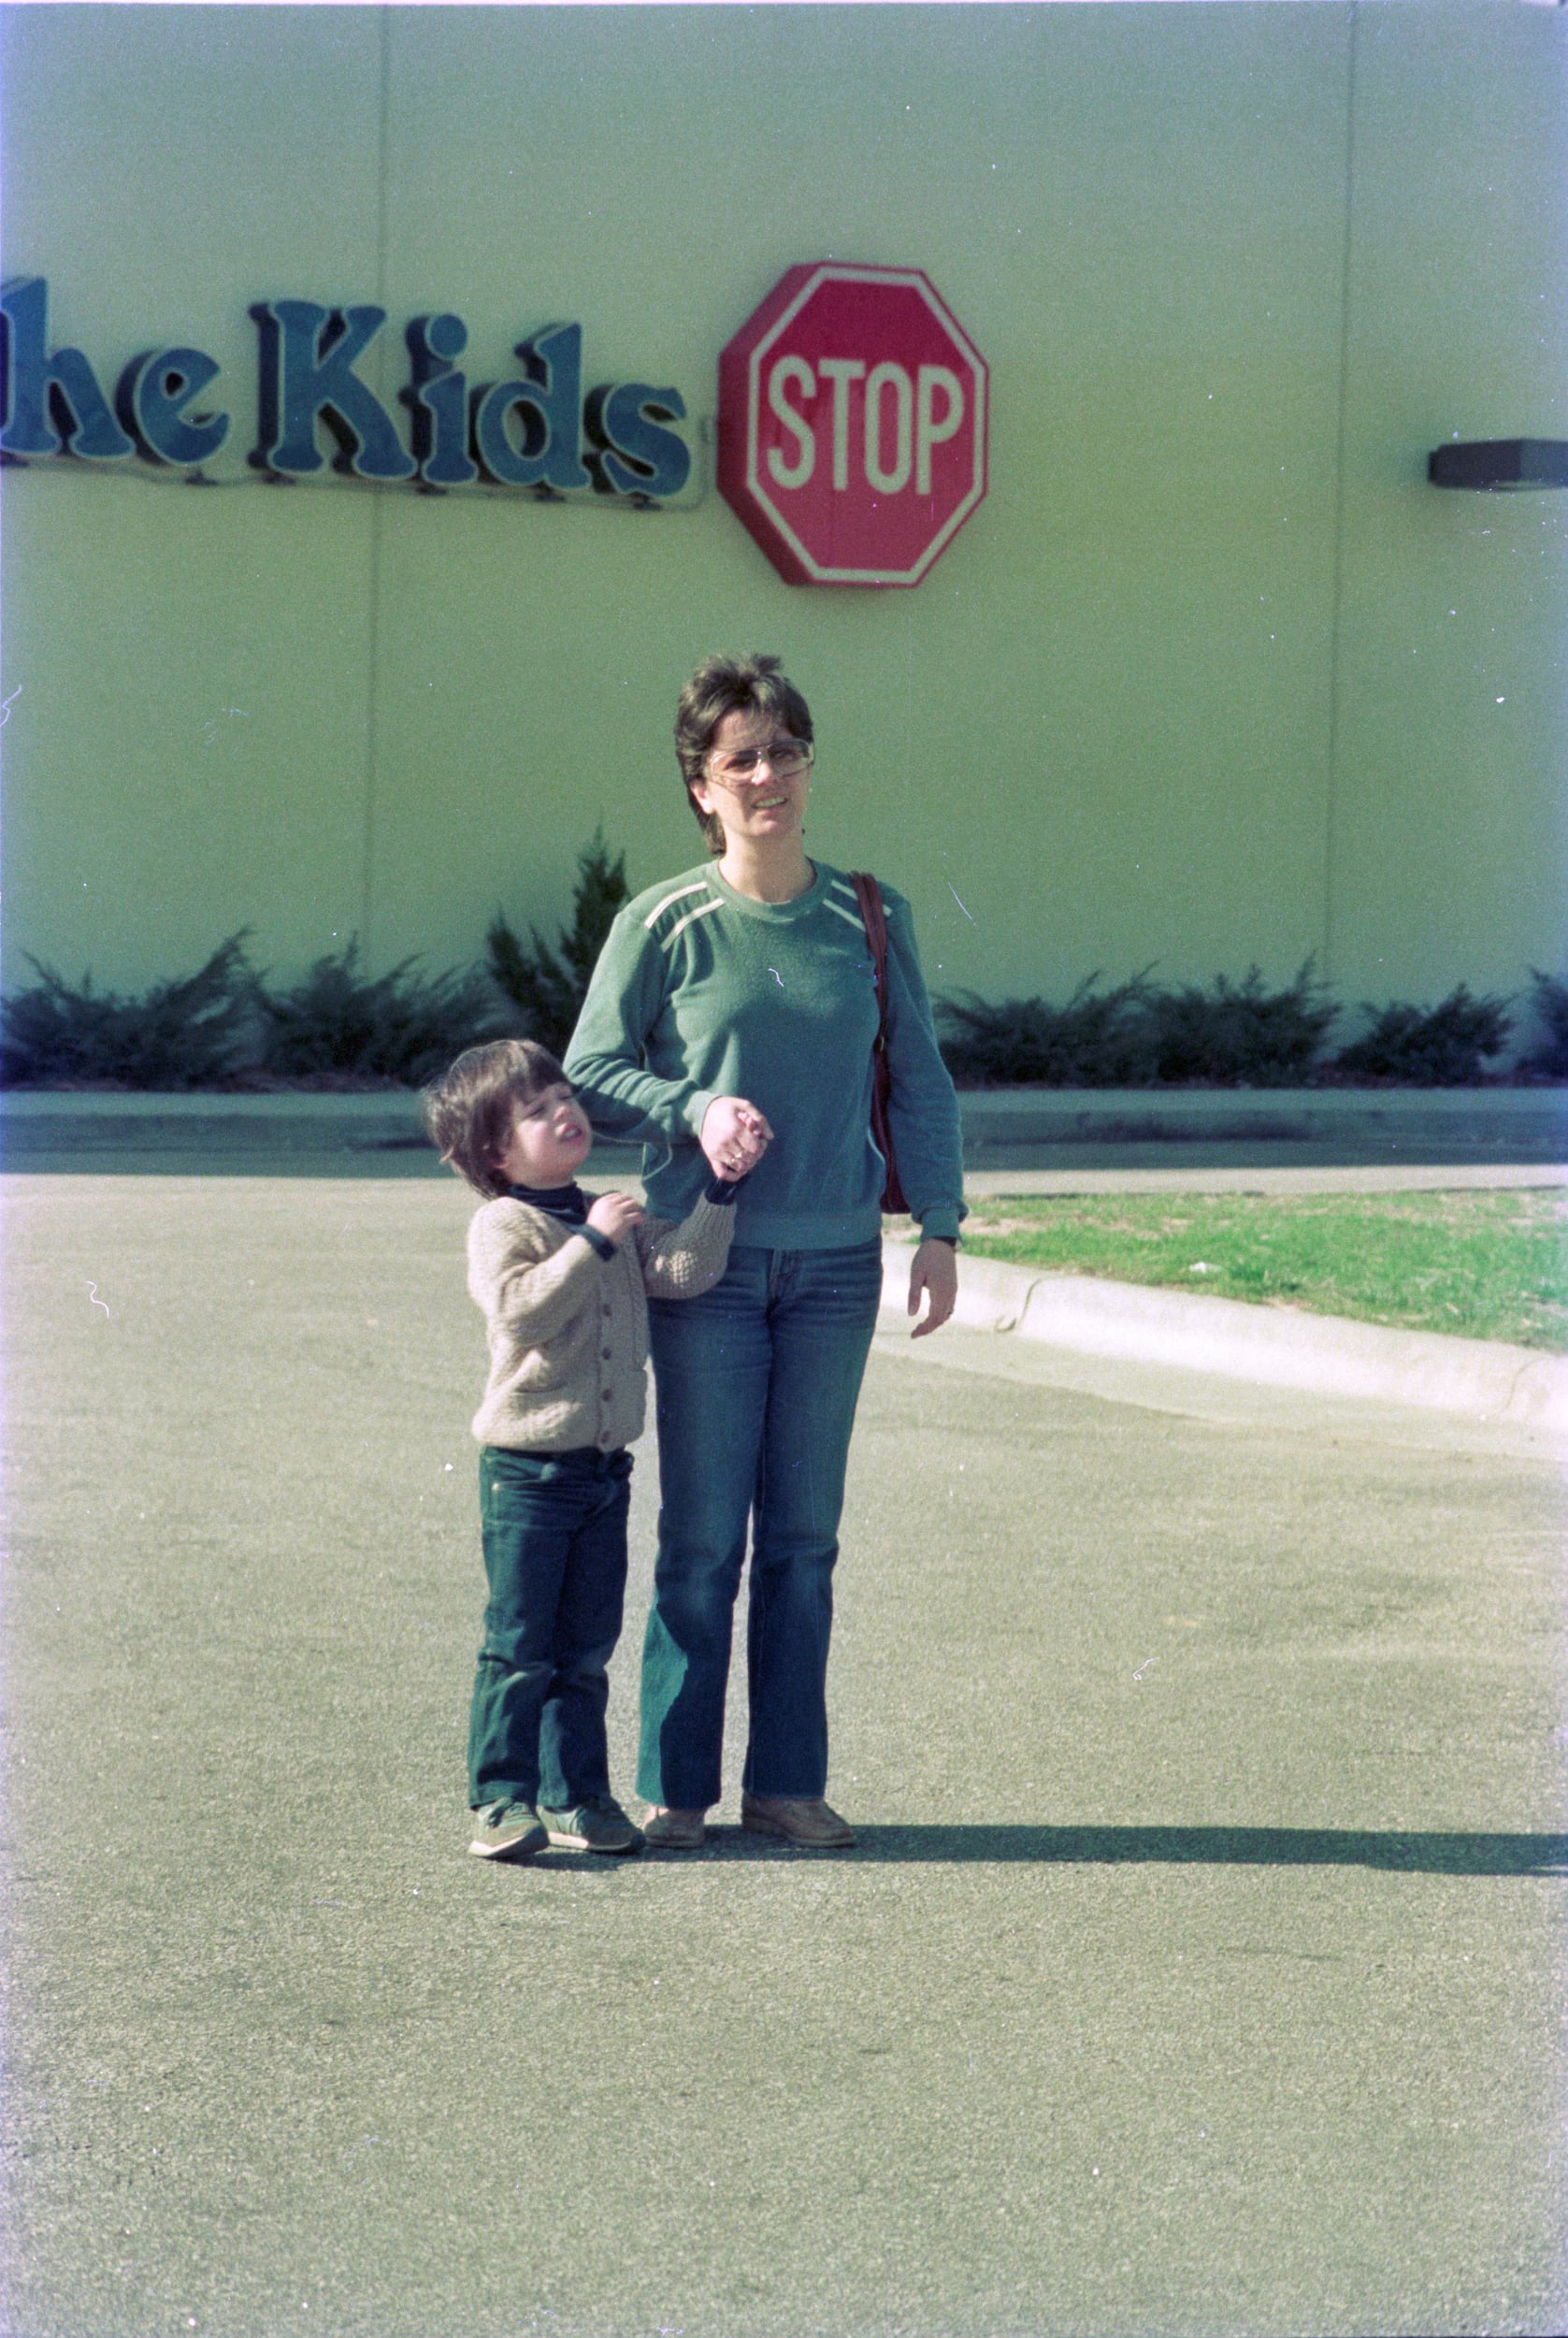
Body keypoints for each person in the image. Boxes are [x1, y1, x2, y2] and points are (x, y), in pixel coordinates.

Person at [565, 653, 963, 1852]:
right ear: (701, 785)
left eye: (786, 750)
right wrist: (690, 1109)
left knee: (803, 1540)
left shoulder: (868, 917)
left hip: (836, 1266)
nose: (767, 775)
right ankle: (676, 1788)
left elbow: (919, 1078)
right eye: (740, 757)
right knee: (700, 1540)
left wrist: (940, 1226)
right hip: (710, 1266)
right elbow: (589, 1069)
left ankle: (787, 1783)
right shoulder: (662, 922)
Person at [421, 1038, 746, 1861]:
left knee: (585, 1648)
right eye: (536, 1112)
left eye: (564, 1096)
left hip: (602, 1472)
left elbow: (681, 1272)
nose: (563, 1112)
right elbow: (519, 1311)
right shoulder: (504, 1223)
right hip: (527, 1474)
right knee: (519, 1643)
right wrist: (590, 1244)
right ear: (496, 1153)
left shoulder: (607, 1212)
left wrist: (720, 1190)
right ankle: (501, 1799)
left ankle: (577, 1798)